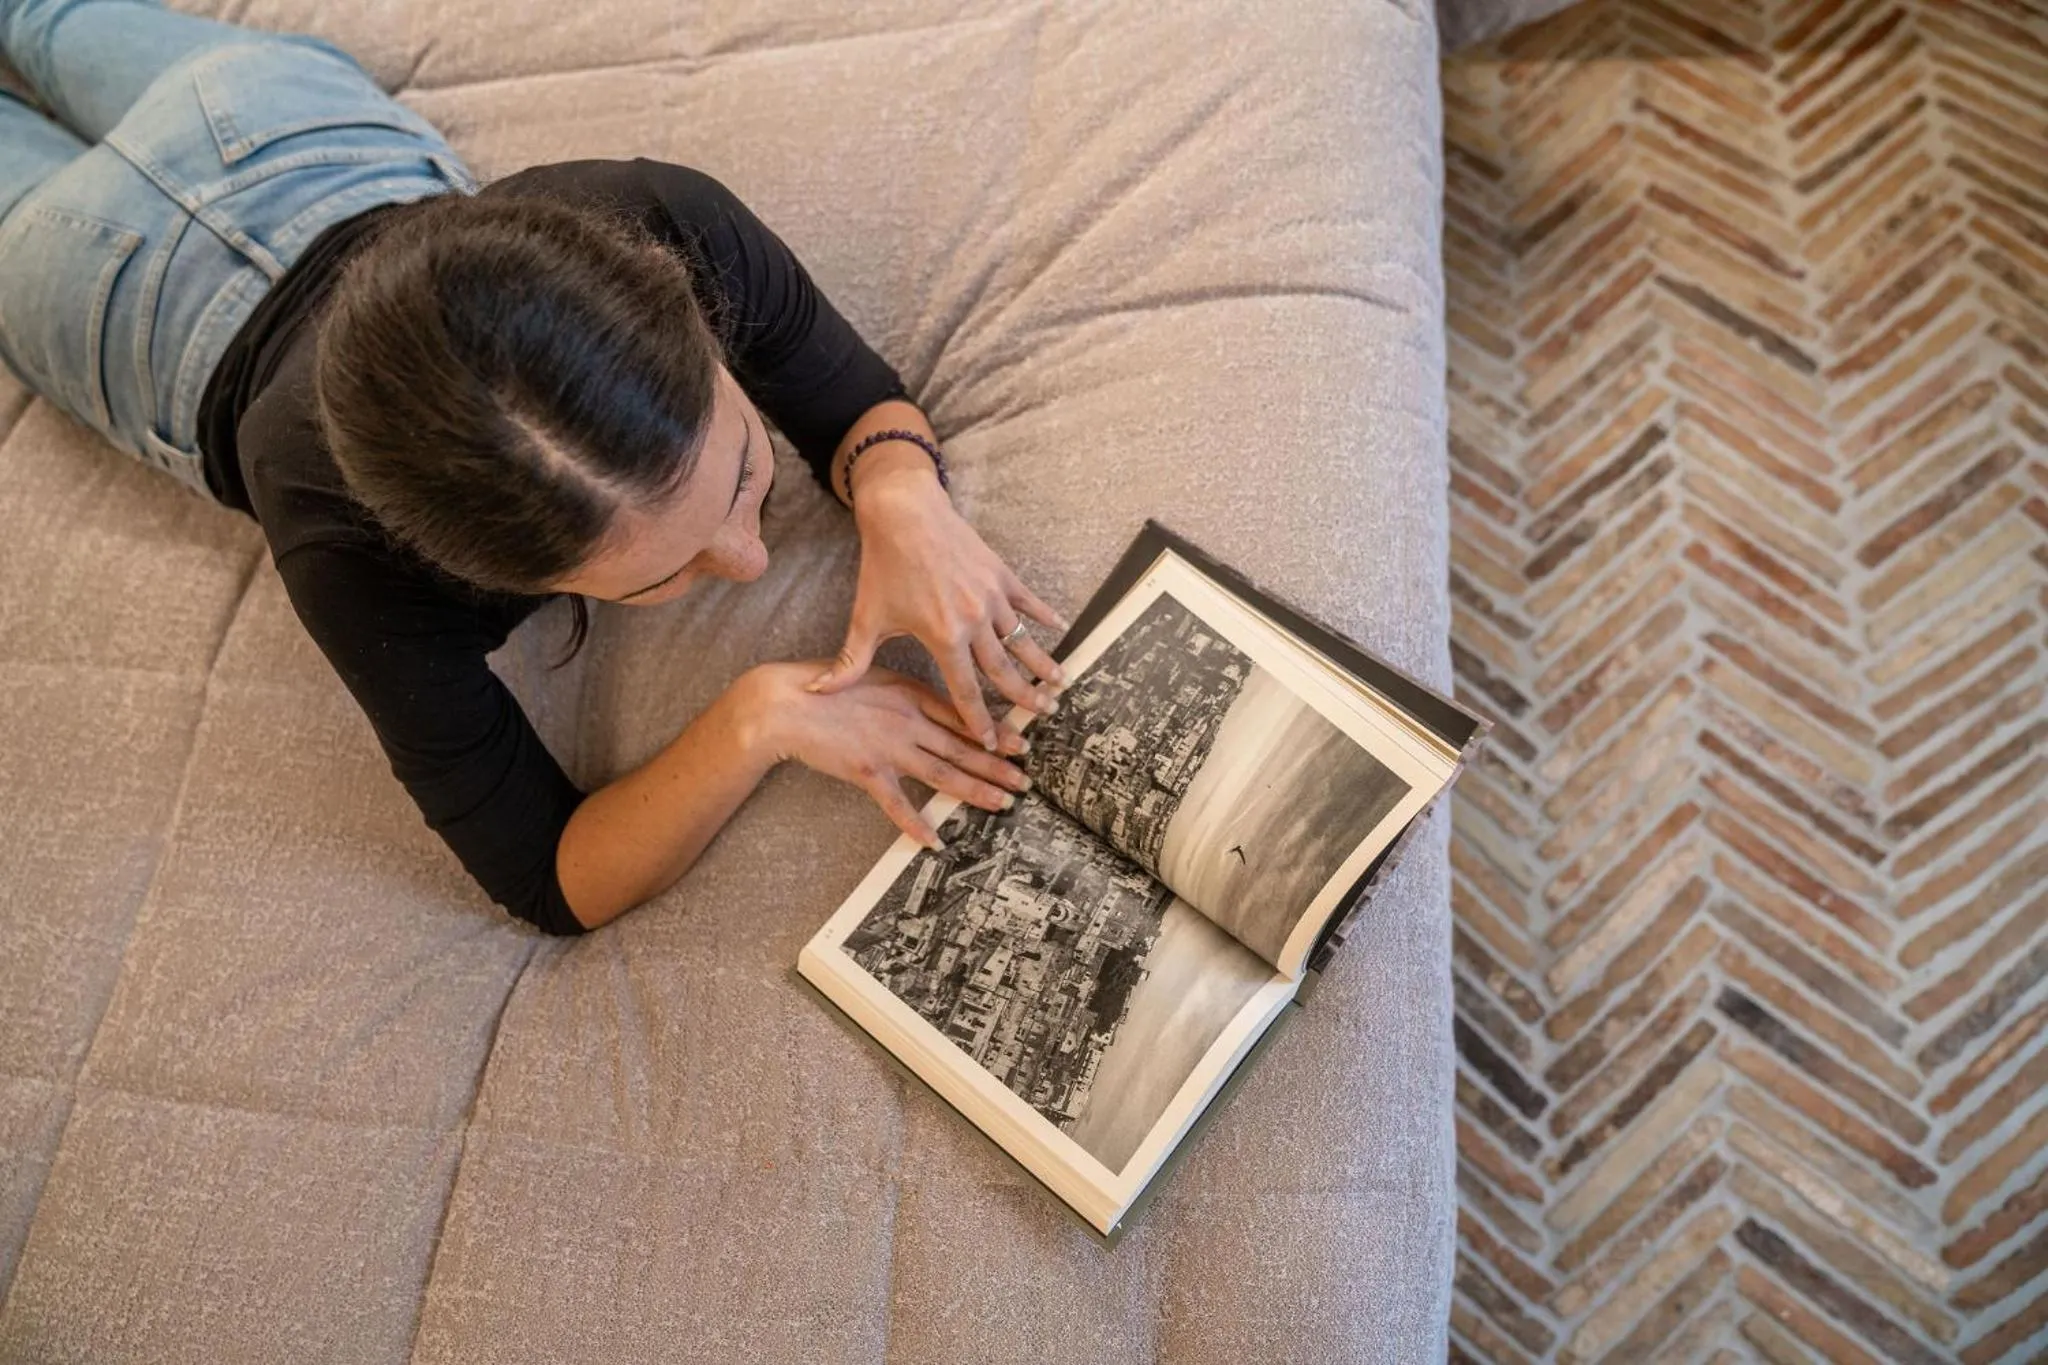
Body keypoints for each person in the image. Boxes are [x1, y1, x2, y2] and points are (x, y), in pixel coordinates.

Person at [0, 0, 1071, 934]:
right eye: (665, 575)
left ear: (697, 318)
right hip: (110, 299)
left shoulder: (659, 219)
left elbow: (846, 396)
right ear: (486, 574)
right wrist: (757, 719)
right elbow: (547, 876)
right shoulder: (347, 553)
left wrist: (899, 492)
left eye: (746, 472)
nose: (750, 560)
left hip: (270, 121)